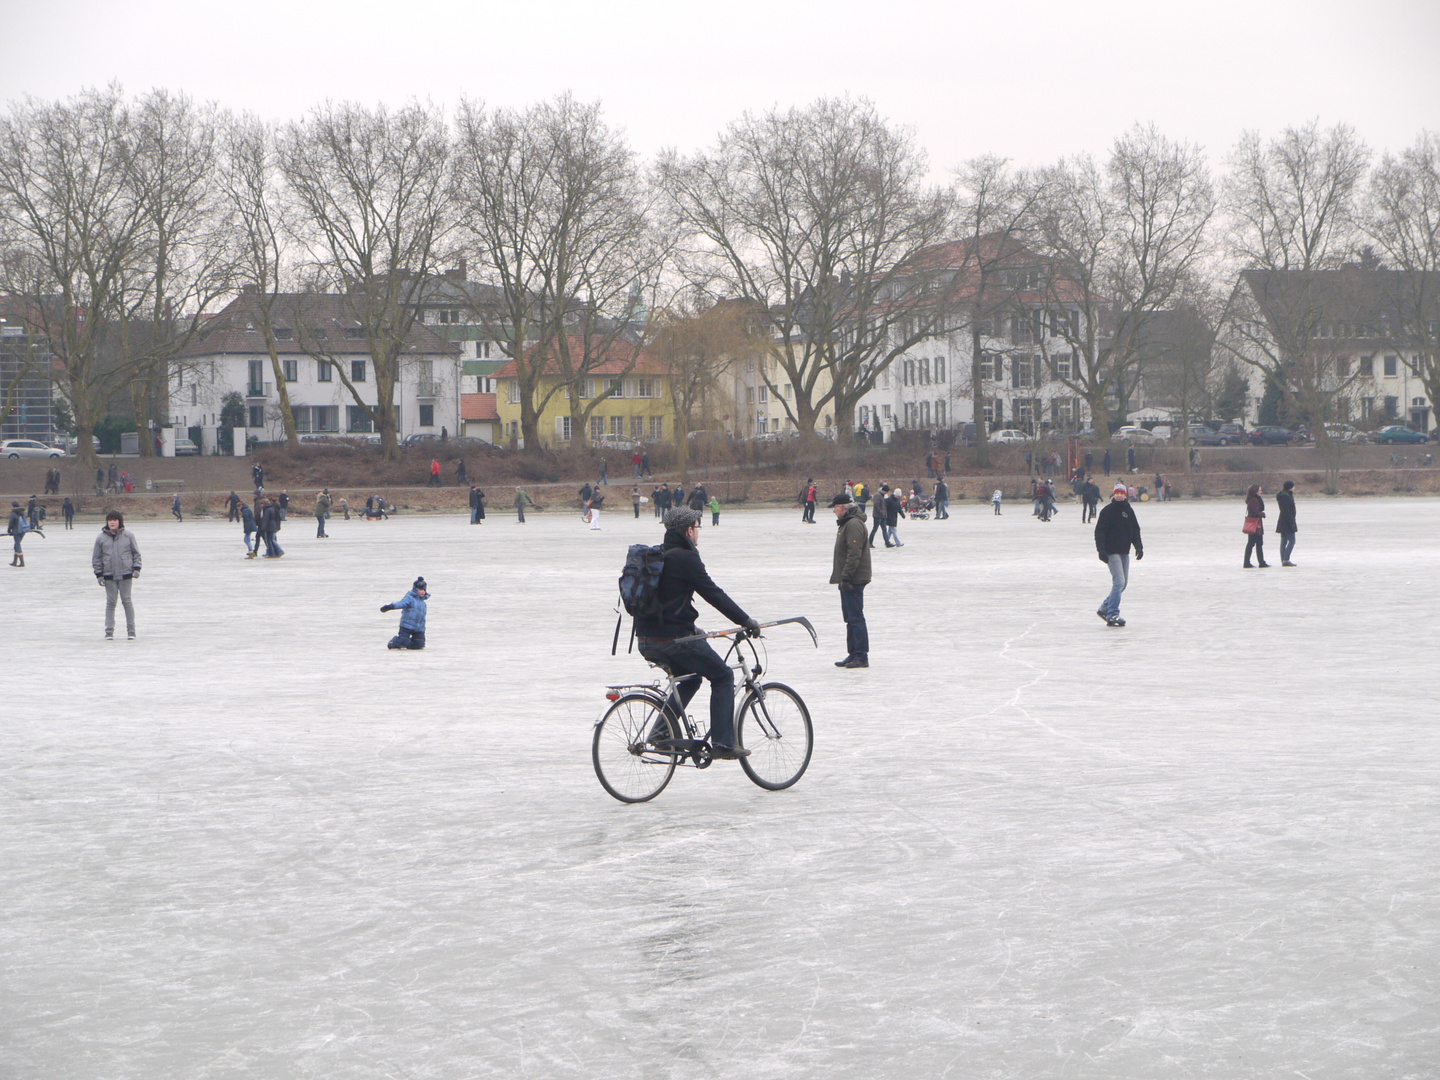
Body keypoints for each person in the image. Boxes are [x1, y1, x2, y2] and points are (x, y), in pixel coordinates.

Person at [634, 507, 761, 759]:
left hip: (646, 639)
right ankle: (724, 744)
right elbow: (713, 593)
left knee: (690, 679)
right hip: (674, 640)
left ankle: (660, 735)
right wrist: (746, 620)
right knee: (723, 676)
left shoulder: (657, 557)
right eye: (697, 528)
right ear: (689, 530)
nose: (698, 533)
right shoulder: (685, 558)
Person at [829, 493, 872, 669]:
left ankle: (861, 655)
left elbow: (854, 554)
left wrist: (846, 576)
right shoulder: (847, 523)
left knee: (855, 618)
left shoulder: (853, 524)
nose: (833, 511)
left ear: (842, 508)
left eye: (835, 508)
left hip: (854, 579)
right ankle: (853, 653)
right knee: (850, 618)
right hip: (848, 578)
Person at [1094, 480, 1143, 628]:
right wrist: (1101, 550)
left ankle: (1104, 608)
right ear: (1114, 494)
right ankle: (1112, 613)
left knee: (1123, 584)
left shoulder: (1128, 510)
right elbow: (1099, 532)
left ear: (1126, 495)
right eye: (1117, 493)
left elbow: (1135, 530)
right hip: (1111, 551)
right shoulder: (1108, 511)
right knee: (1119, 582)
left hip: (1124, 551)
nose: (1120, 496)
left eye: (1122, 493)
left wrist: (1138, 547)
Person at [92, 510, 141, 638]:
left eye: (114, 519)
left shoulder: (128, 536)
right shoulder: (101, 538)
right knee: (111, 603)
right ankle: (109, 631)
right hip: (109, 575)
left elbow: (136, 553)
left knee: (127, 601)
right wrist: (99, 574)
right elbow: (96, 558)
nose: (112, 522)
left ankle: (131, 631)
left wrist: (136, 568)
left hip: (126, 574)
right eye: (110, 520)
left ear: (120, 521)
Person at [381, 577, 429, 650]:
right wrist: (390, 606)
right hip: (407, 625)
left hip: (419, 628)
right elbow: (401, 603)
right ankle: (394, 642)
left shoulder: (423, 603)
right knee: (403, 641)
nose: (422, 592)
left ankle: (409, 644)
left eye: (424, 590)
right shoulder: (410, 598)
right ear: (415, 590)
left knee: (419, 645)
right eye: (420, 590)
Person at [1243, 484, 1269, 568]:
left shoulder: (1254, 499)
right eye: (1259, 490)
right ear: (1255, 491)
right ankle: (1256, 562)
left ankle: (1260, 562)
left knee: (1255, 543)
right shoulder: (1253, 500)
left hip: (1256, 523)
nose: (1261, 491)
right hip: (1255, 524)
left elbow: (1261, 507)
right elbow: (1255, 512)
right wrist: (1262, 514)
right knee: (1254, 543)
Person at [1277, 480, 1298, 566]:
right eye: (1293, 486)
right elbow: (1287, 511)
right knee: (1292, 541)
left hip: (1283, 521)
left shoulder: (1284, 495)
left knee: (1284, 541)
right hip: (1287, 522)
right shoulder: (1286, 496)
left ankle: (1284, 559)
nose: (1294, 488)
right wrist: (1291, 522)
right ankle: (1285, 559)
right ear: (1290, 487)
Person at [7, 500, 30, 567]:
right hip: (22, 530)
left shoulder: (13, 513)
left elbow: (11, 522)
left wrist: (9, 530)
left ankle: (22, 563)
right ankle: (15, 561)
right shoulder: (23, 512)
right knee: (16, 545)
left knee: (17, 545)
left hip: (16, 531)